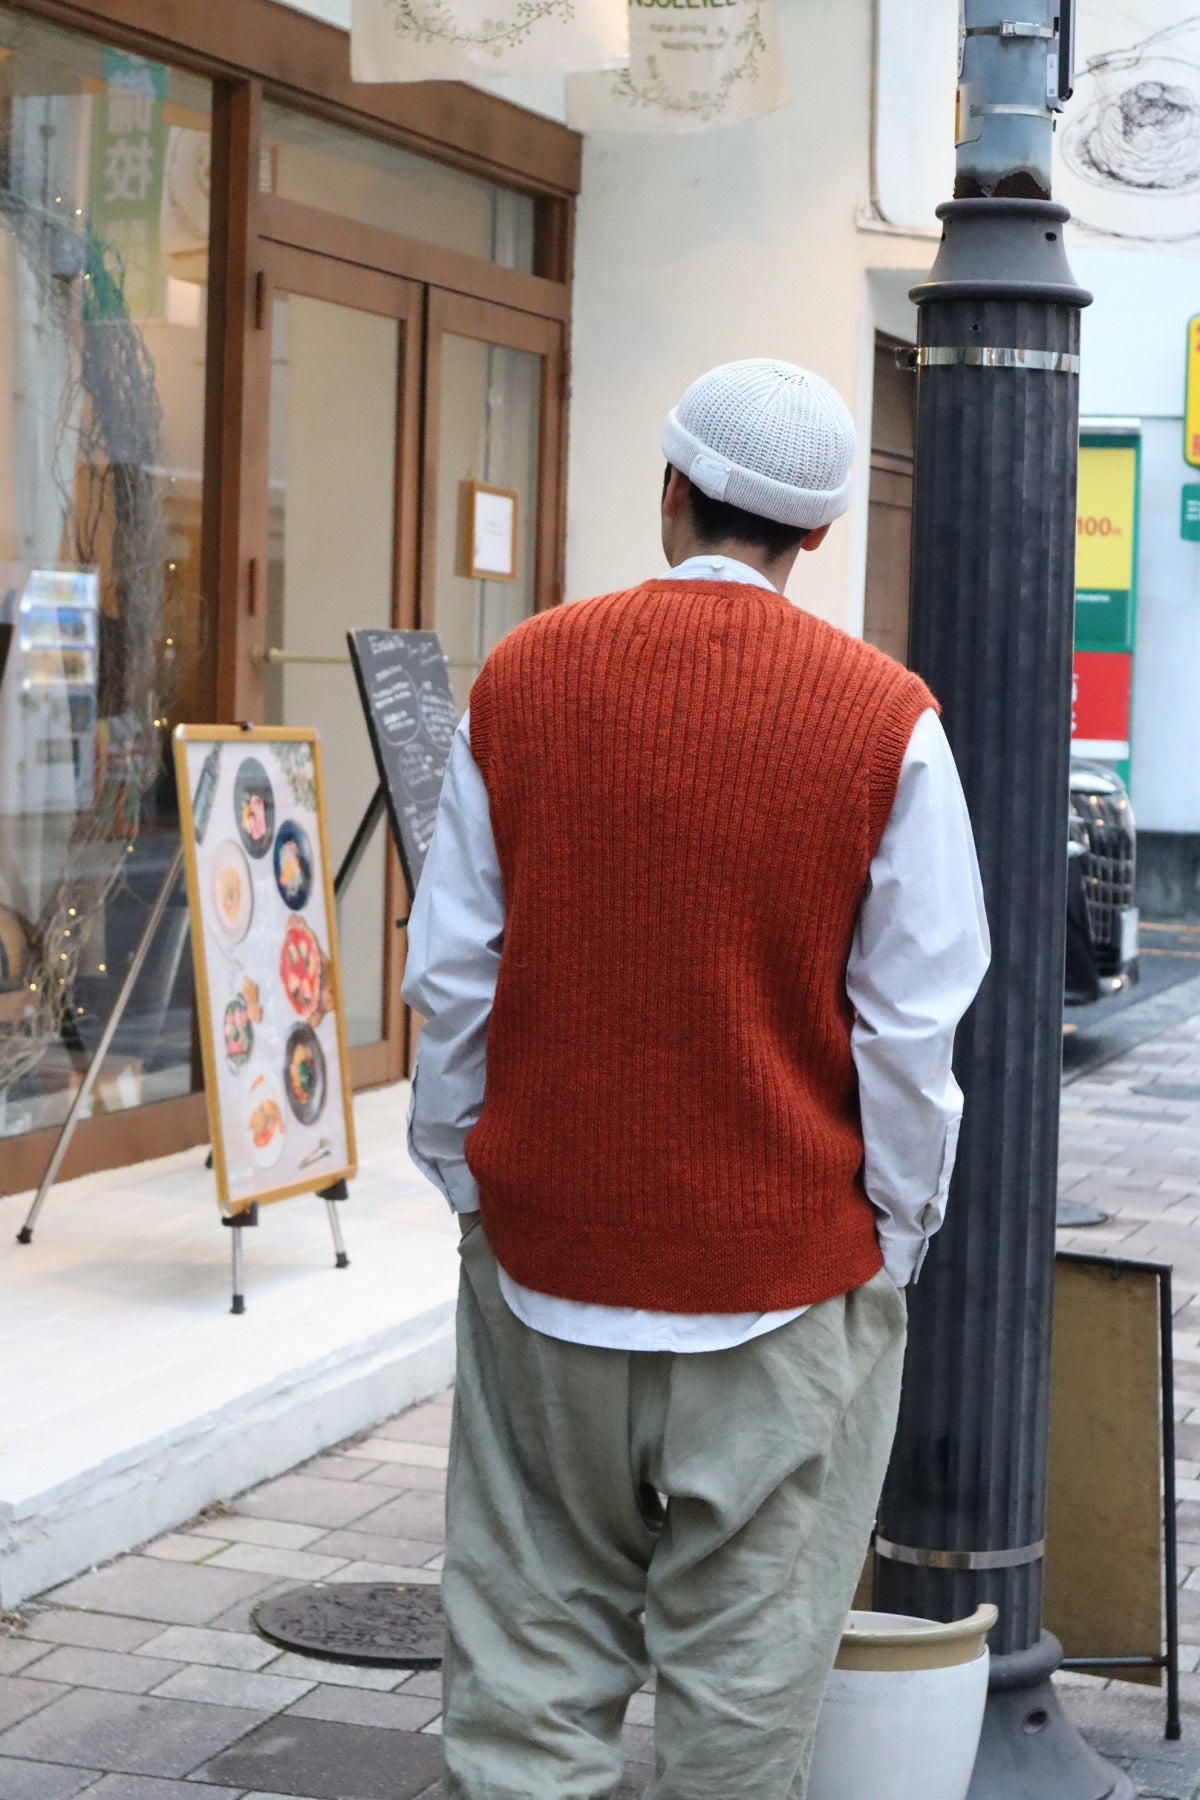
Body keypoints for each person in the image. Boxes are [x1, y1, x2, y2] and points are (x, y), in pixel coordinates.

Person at [403, 357, 990, 1800]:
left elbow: (452, 976)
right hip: (787, 1284)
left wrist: (465, 1174)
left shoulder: (524, 677)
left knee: (526, 1679)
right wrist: (890, 1239)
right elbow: (914, 1031)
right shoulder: (884, 718)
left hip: (548, 1265)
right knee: (744, 1701)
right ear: (820, 538)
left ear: (669, 491)